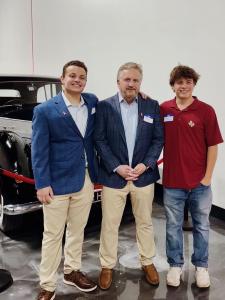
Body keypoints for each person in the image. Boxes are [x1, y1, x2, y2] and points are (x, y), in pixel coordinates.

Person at [32, 60, 98, 300]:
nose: (77, 80)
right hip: (56, 184)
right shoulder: (45, 110)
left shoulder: (92, 102)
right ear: (62, 79)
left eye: (82, 76)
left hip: (85, 180)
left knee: (77, 231)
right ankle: (47, 285)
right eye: (72, 75)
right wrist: (42, 183)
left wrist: (138, 93)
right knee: (52, 235)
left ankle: (72, 271)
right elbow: (39, 150)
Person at [94, 62, 164, 289]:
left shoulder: (151, 106)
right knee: (110, 224)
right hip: (114, 178)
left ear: (140, 83)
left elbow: (157, 140)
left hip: (143, 177)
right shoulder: (105, 107)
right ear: (118, 82)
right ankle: (107, 266)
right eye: (127, 79)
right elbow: (100, 140)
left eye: (135, 80)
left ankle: (147, 261)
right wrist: (117, 166)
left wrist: (146, 164)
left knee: (144, 222)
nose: (131, 84)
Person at [160, 65, 223, 288]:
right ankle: (175, 265)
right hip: (172, 183)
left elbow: (213, 146)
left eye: (188, 82)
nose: (184, 86)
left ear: (193, 84)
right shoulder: (164, 109)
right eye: (179, 82)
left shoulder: (206, 110)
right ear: (172, 85)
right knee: (172, 226)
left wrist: (207, 177)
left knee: (202, 226)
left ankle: (201, 267)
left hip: (199, 183)